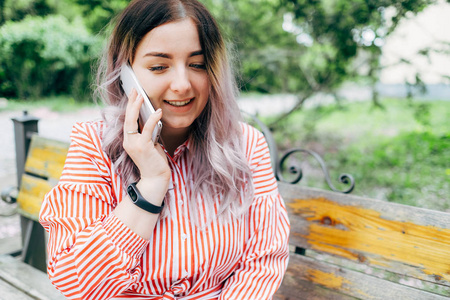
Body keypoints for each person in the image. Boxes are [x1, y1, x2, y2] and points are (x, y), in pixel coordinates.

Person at [39, 0, 290, 299]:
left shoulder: (247, 145)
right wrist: (151, 185)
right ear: (126, 73)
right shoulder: (93, 145)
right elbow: (77, 283)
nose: (182, 84)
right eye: (159, 66)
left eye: (197, 64)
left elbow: (263, 261)